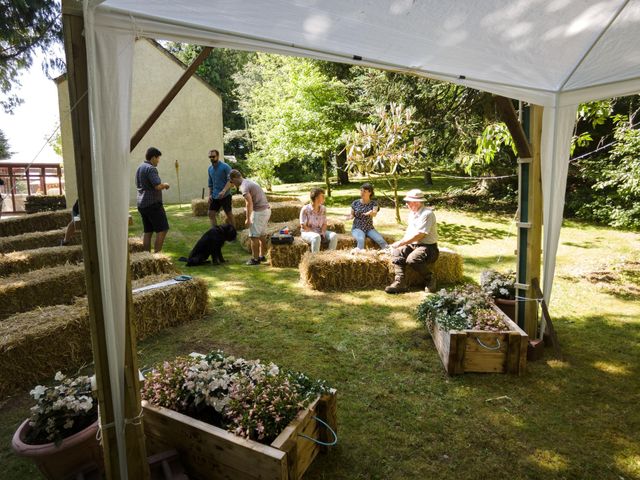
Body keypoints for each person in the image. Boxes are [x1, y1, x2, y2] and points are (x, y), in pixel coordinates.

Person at [385, 189, 439, 294]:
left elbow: (420, 235)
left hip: (428, 247)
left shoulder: (427, 214)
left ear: (417, 202)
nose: (407, 204)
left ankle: (430, 279)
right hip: (413, 245)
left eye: (409, 201)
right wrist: (397, 246)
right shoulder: (412, 214)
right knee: (397, 252)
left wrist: (401, 243)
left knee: (413, 259)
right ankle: (400, 282)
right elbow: (410, 233)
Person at [228, 169, 271, 265]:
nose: (232, 184)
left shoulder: (244, 187)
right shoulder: (248, 182)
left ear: (234, 178)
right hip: (266, 210)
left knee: (253, 236)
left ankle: (255, 259)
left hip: (260, 212)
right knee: (261, 235)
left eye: (231, 181)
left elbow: (249, 203)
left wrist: (248, 218)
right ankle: (262, 256)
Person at [135, 147, 170, 252]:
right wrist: (166, 185)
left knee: (148, 231)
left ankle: (146, 256)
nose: (158, 161)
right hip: (153, 204)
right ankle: (157, 256)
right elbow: (157, 186)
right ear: (153, 157)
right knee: (163, 229)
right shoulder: (151, 168)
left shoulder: (140, 167)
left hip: (142, 204)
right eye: (158, 158)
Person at [347, 183, 388, 250]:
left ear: (370, 193)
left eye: (364, 191)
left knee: (380, 240)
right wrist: (349, 217)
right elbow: (352, 215)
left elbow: (374, 213)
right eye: (361, 190)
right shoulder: (355, 203)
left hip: (369, 228)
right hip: (357, 227)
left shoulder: (374, 203)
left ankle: (389, 252)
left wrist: (371, 213)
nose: (362, 193)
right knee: (361, 240)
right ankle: (360, 256)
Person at [300, 187, 337, 253]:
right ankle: (315, 259)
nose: (324, 198)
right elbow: (303, 225)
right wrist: (315, 233)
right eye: (322, 196)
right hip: (307, 232)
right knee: (316, 237)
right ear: (316, 198)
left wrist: (323, 232)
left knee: (334, 235)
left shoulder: (323, 209)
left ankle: (330, 256)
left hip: (319, 231)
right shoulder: (305, 209)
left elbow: (324, 223)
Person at [207, 149, 234, 227]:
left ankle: (233, 233)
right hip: (215, 196)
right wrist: (209, 195)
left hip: (225, 196)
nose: (211, 158)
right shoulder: (210, 169)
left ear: (218, 156)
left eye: (213, 156)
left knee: (228, 214)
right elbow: (210, 183)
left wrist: (224, 191)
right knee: (211, 214)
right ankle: (215, 232)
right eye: (210, 157)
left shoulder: (225, 167)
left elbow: (230, 181)